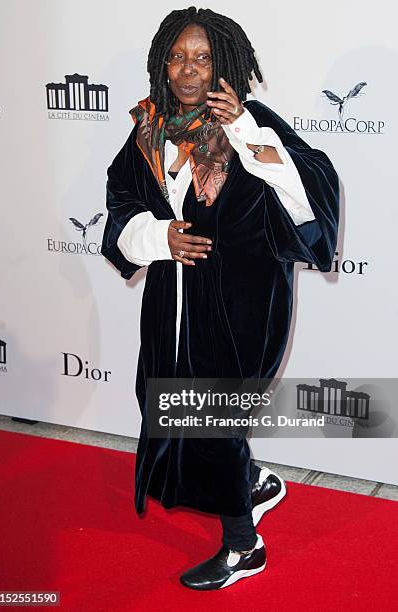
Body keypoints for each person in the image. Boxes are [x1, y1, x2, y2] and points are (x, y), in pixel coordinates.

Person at [101, 6, 339, 590]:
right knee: (167, 404)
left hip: (243, 305)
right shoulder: (148, 131)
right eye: (178, 57)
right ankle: (253, 483)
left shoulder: (249, 123)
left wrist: (245, 134)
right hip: (174, 303)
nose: (188, 70)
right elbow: (122, 207)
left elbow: (310, 194)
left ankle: (243, 547)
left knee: (212, 417)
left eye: (202, 58)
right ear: (162, 61)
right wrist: (161, 236)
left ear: (223, 64)